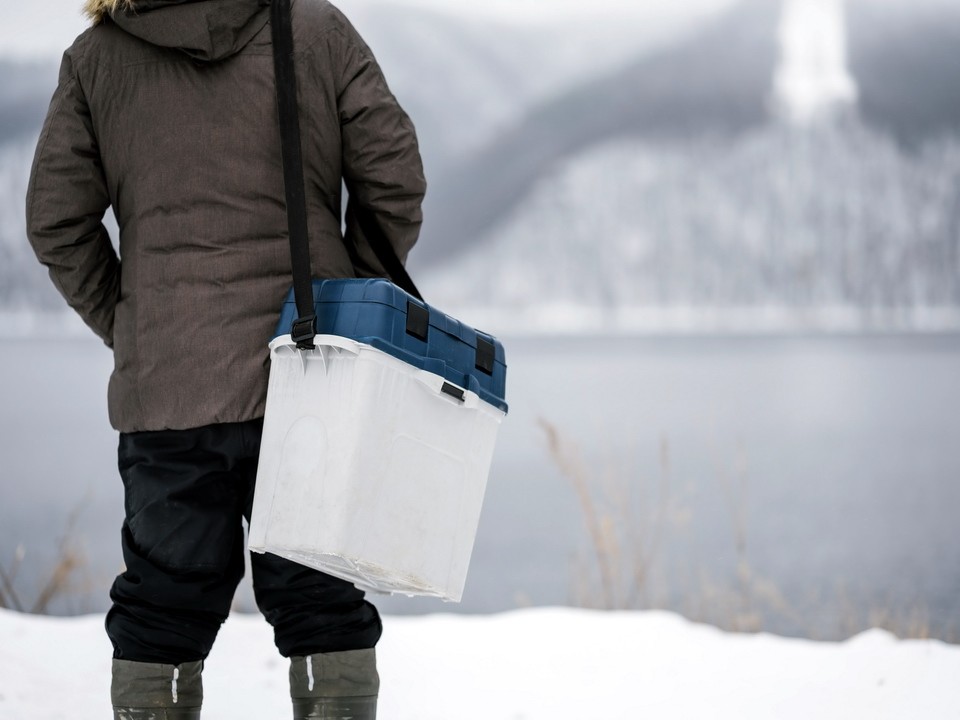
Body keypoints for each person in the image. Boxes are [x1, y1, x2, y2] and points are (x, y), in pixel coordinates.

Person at [25, 0, 426, 717]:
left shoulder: (94, 61)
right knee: (323, 601)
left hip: (169, 391)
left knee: (162, 609)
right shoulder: (314, 29)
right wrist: (345, 305)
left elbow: (55, 221)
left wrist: (136, 323)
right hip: (311, 377)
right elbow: (393, 176)